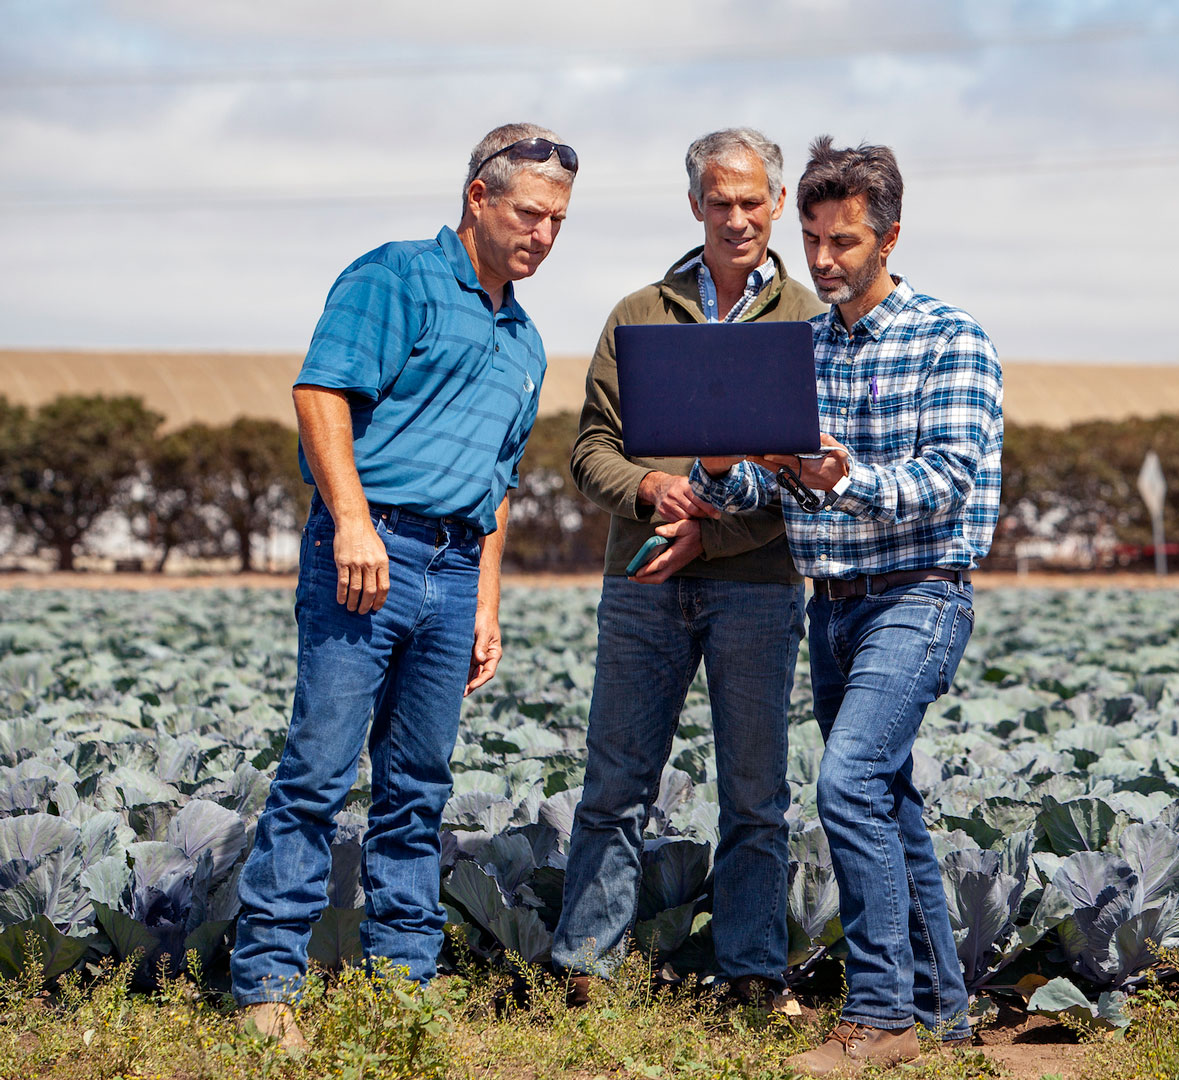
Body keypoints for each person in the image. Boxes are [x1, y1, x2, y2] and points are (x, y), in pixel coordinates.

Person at [231, 123, 576, 1049]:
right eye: (529, 214)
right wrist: (350, 520)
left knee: (418, 788)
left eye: (558, 222)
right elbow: (321, 394)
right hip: (367, 553)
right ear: (478, 197)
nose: (543, 235)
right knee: (318, 772)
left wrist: (488, 603)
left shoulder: (527, 340)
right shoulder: (395, 277)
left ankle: (404, 992)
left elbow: (498, 486)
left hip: (457, 569)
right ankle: (268, 987)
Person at [691, 136, 1003, 1076]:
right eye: (815, 240)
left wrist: (849, 474)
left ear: (890, 236)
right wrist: (719, 469)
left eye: (846, 242)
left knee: (849, 783)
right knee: (891, 802)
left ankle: (878, 1017)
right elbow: (764, 487)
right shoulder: (802, 348)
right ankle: (944, 1013)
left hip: (919, 596)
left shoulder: (952, 338)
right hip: (831, 607)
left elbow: (948, 478)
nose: (823, 261)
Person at [554, 128, 824, 1013]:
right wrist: (652, 489)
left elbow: (810, 481)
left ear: (778, 204)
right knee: (615, 782)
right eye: (720, 200)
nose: (737, 217)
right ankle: (585, 972)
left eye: (753, 201)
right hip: (642, 581)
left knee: (755, 791)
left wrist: (711, 539)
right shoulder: (638, 313)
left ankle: (751, 972)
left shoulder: (811, 324)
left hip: (758, 588)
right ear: (695, 204)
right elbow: (590, 448)